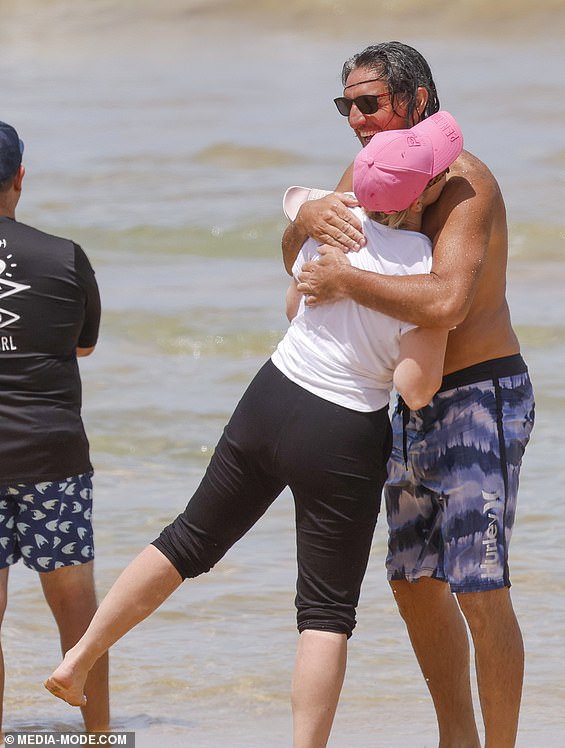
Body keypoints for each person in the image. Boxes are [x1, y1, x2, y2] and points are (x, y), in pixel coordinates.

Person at [43, 112, 463, 748]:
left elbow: (294, 304)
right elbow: (413, 383)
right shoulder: (423, 261)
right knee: (325, 614)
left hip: (272, 394)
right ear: (422, 196)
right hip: (345, 430)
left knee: (186, 540)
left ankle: (77, 661)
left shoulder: (334, 221)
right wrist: (436, 332)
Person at [282, 42, 535, 748]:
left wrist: (347, 281)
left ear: (418, 99)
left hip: (480, 393)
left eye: (369, 103)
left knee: (479, 588)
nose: (356, 120)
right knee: (413, 580)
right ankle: (456, 737)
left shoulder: (465, 184)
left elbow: (447, 301)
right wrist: (302, 219)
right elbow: (302, 262)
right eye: (347, 106)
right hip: (407, 400)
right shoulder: (365, 174)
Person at [0, 121, 109, 735]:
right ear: (19, 178)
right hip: (53, 462)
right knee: (78, 621)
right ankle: (101, 738)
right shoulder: (65, 256)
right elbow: (83, 347)